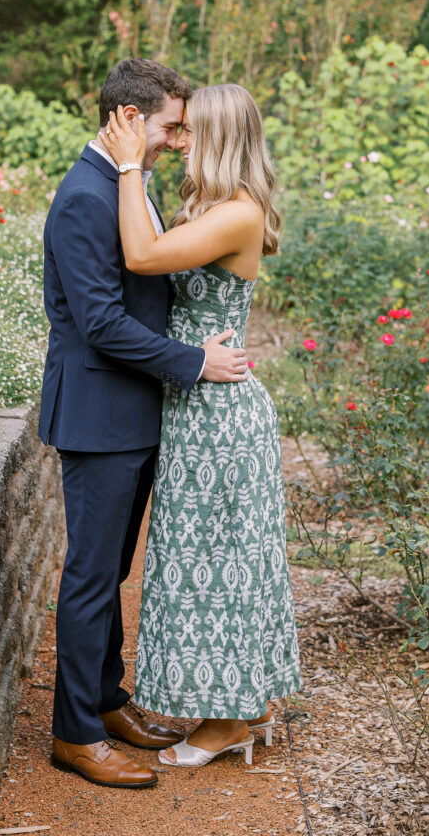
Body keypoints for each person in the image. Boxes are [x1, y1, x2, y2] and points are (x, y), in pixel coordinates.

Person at [38, 59, 250, 790]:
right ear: (128, 119)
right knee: (92, 577)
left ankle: (105, 699)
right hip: (99, 413)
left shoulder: (125, 183)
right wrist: (191, 363)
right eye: (166, 127)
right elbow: (98, 322)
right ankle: (73, 734)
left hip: (131, 410)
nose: (174, 141)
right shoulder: (83, 196)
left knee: (114, 571)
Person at [100, 82, 300, 768]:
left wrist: (128, 166)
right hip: (197, 404)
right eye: (173, 131)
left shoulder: (237, 214)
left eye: (189, 132)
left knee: (220, 561)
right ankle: (240, 706)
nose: (176, 140)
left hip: (220, 414)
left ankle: (231, 721)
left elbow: (141, 257)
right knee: (203, 559)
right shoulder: (215, 205)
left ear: (219, 138)